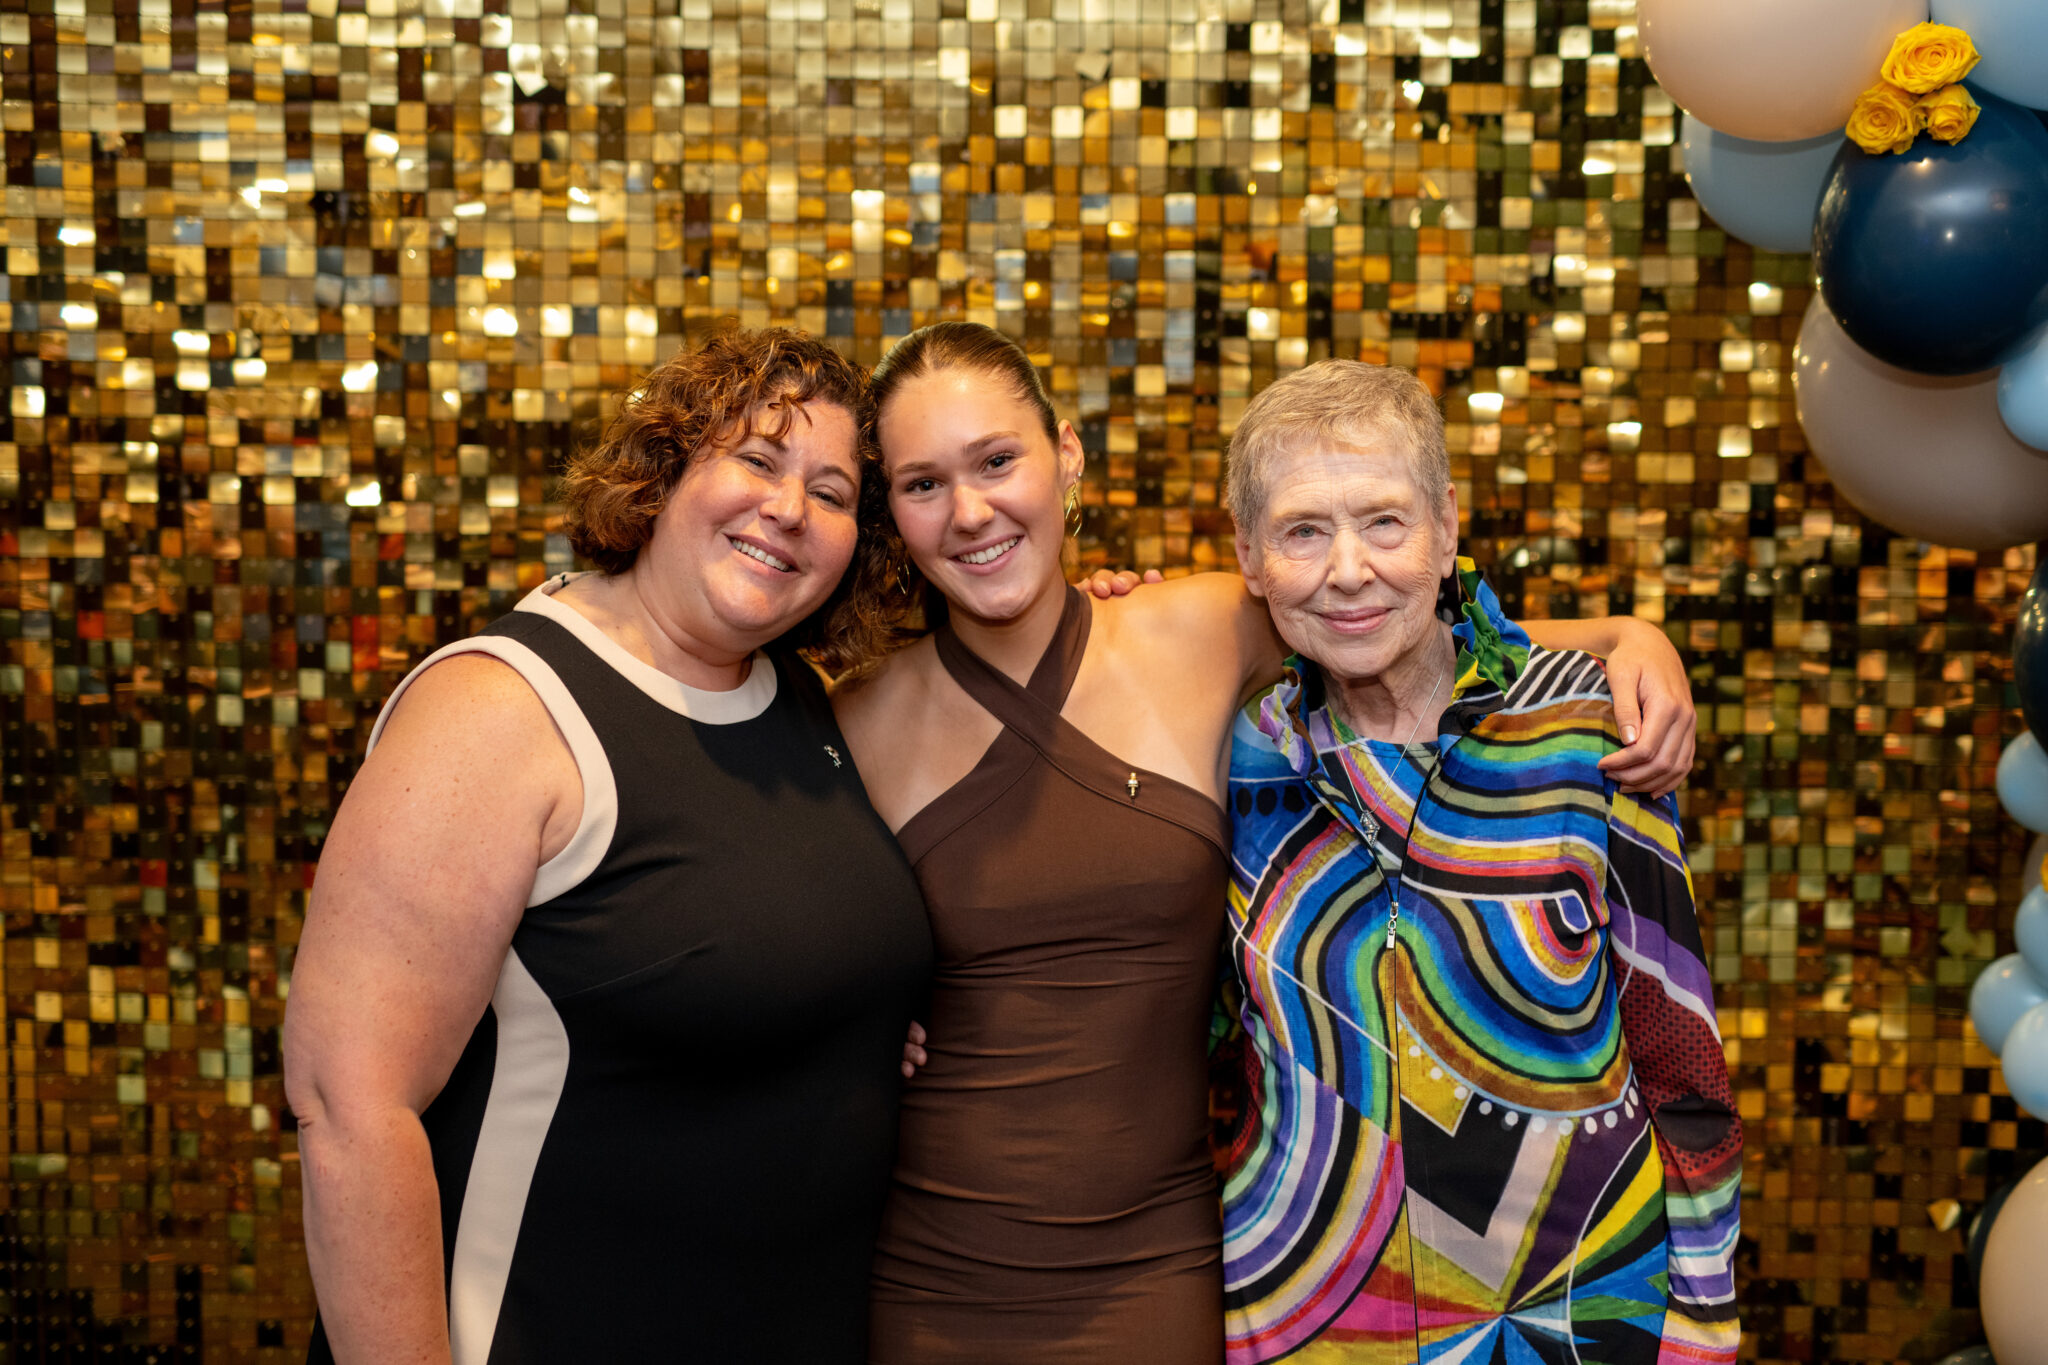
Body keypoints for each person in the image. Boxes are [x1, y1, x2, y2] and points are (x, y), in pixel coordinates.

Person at [831, 321, 1701, 1364]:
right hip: (929, 1266)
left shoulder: (1200, 630)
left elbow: (1394, 621)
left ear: (1064, 456)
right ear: (889, 506)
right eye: (921, 483)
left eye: (996, 461)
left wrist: (1624, 641)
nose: (969, 510)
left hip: (1168, 1259)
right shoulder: (856, 720)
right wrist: (861, 1014)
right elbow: (781, 925)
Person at [281, 328, 934, 1365]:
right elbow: (351, 1109)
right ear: (665, 470)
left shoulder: (798, 701)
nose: (787, 509)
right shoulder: (497, 708)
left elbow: (733, 964)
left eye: (833, 491)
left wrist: (847, 1025)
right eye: (757, 460)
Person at [1216, 360, 1740, 1364]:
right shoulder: (1233, 753)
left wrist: (1701, 1321)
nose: (1348, 569)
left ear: (1446, 527)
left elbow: (1681, 1059)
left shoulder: (1588, 729)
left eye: (1383, 521)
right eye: (1300, 531)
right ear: (1248, 555)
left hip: (1576, 1313)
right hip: (1307, 1318)